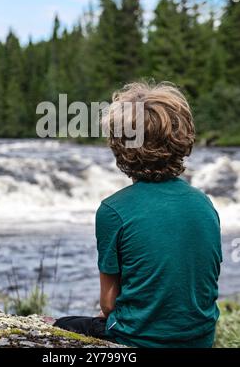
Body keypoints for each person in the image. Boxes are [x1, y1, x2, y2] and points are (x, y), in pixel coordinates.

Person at [54, 81, 222, 348]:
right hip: (200, 338)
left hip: (138, 340)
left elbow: (108, 305)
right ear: (183, 137)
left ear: (119, 145)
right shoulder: (204, 204)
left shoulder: (113, 210)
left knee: (60, 326)